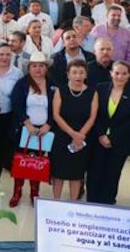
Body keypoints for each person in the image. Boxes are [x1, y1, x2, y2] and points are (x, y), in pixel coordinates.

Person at [7, 51, 55, 207]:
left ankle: (35, 192)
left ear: (46, 68)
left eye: (41, 66)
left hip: (44, 131)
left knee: (38, 162)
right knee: (21, 161)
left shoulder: (52, 84)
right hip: (24, 129)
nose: (38, 69)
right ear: (29, 67)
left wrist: (49, 124)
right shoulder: (22, 84)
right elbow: (16, 104)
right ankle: (17, 192)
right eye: (34, 66)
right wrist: (27, 123)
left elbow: (57, 107)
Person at [51, 60, 97, 200]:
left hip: (82, 138)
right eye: (74, 72)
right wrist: (73, 134)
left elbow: (92, 116)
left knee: (76, 174)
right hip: (62, 136)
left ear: (86, 75)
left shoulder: (92, 92)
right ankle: (56, 201)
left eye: (81, 72)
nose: (78, 75)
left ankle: (73, 203)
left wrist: (80, 135)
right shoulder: (61, 90)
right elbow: (56, 115)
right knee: (58, 173)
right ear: (68, 75)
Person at [87, 61, 130, 204]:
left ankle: (108, 203)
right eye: (117, 73)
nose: (120, 77)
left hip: (121, 141)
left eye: (124, 73)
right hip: (98, 138)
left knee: (112, 173)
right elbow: (95, 114)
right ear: (111, 73)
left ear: (128, 75)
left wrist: (112, 137)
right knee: (95, 172)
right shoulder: (100, 89)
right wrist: (101, 135)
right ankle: (92, 202)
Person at [0, 43, 24, 178]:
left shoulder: (17, 73)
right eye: (1, 54)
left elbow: (18, 96)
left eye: (8, 54)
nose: (5, 57)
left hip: (6, 115)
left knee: (0, 149)